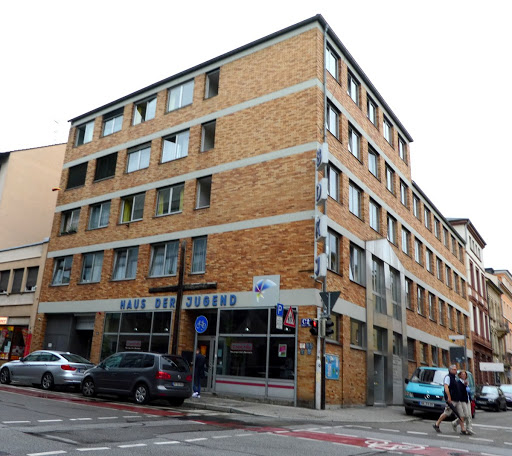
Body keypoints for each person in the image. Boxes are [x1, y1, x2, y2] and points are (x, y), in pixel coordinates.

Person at [433, 365, 468, 434]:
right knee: (447, 413)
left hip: (457, 399)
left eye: (456, 369)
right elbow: (446, 388)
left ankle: (463, 429)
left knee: (461, 414)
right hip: (452, 399)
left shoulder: (454, 378)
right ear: (450, 370)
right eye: (454, 369)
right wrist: (449, 397)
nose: (455, 371)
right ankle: (437, 424)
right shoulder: (448, 377)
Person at [452, 370, 474, 435]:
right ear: (460, 375)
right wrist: (465, 386)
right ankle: (455, 423)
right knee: (466, 415)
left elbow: (468, 392)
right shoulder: (459, 383)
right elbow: (460, 392)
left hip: (467, 400)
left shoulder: (466, 382)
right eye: (462, 374)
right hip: (462, 400)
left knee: (469, 415)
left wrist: (470, 398)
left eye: (465, 374)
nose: (464, 376)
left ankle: (469, 429)